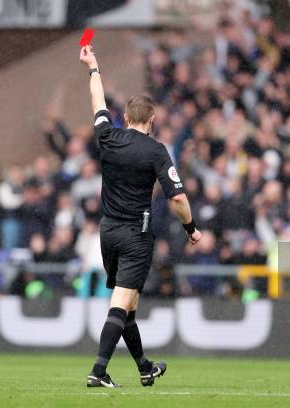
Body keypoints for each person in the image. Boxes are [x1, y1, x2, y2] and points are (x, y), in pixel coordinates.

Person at [79, 45, 202, 388]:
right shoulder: (156, 150)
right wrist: (191, 228)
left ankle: (145, 368)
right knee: (121, 303)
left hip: (107, 232)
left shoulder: (108, 136)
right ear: (151, 120)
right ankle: (99, 371)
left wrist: (93, 68)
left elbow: (97, 103)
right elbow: (177, 198)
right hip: (136, 235)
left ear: (126, 117)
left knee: (127, 303)